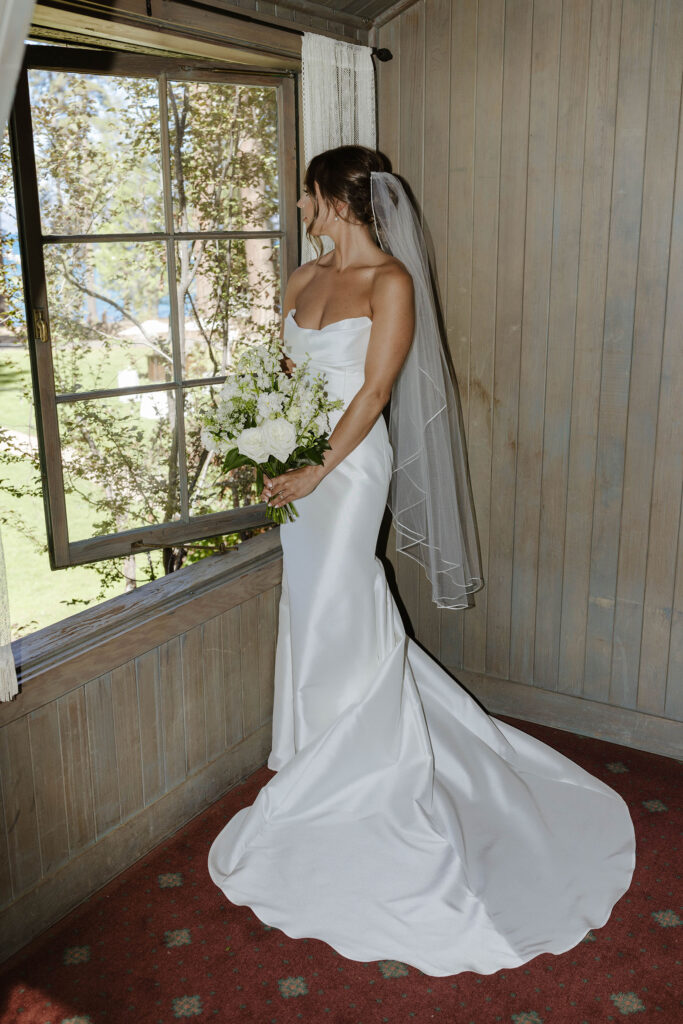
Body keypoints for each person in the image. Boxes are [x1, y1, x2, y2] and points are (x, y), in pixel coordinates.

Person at [208, 145, 636, 977]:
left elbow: (373, 392)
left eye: (306, 195)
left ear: (337, 201)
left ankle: (353, 769)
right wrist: (264, 442)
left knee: (338, 598)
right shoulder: (300, 278)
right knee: (311, 602)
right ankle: (316, 749)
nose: (299, 208)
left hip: (346, 469)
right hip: (298, 467)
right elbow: (281, 375)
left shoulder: (390, 282)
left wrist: (315, 467)